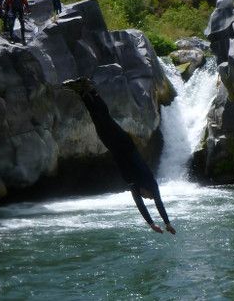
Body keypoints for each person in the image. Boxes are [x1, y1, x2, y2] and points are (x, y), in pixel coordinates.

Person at [62, 77, 176, 235]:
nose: (148, 198)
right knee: (105, 118)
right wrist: (167, 223)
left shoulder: (134, 186)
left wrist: (151, 224)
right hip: (124, 144)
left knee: (97, 119)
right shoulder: (151, 183)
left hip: (113, 147)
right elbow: (159, 203)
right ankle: (91, 89)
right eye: (149, 197)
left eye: (148, 198)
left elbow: (140, 206)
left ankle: (81, 91)